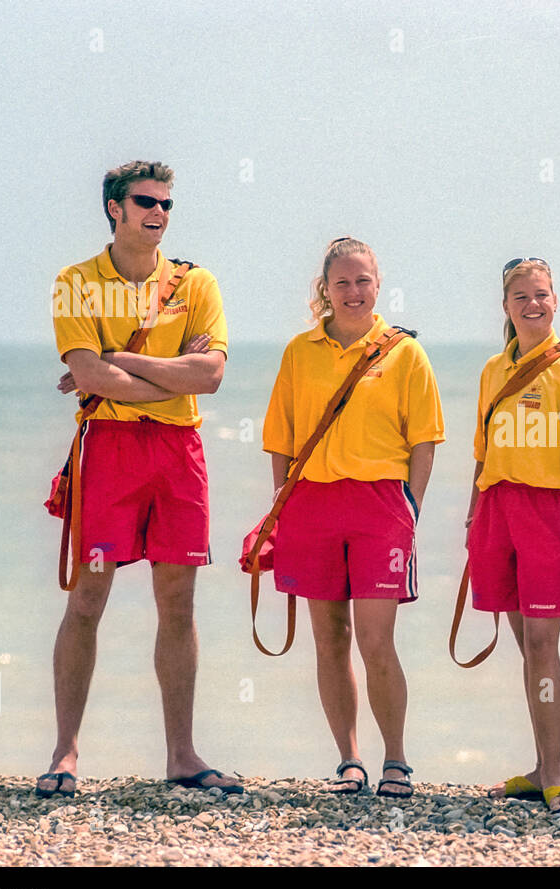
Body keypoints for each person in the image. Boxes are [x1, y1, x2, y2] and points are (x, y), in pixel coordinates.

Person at [41, 160, 237, 797]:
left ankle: (182, 755)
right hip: (109, 450)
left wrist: (118, 360)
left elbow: (208, 377)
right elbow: (89, 378)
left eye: (167, 204)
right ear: (114, 209)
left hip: (179, 451)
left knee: (178, 605)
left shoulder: (196, 281)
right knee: (87, 601)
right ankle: (65, 752)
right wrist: (152, 374)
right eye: (146, 202)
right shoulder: (75, 282)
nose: (159, 213)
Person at [261, 237, 444, 798]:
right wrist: (282, 510)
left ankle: (396, 760)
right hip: (312, 502)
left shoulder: (404, 352)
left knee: (376, 638)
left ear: (377, 283)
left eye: (362, 281)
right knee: (329, 637)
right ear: (325, 289)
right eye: (341, 282)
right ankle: (349, 759)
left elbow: (425, 441)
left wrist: (410, 508)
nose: (353, 292)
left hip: (381, 506)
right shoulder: (300, 351)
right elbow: (282, 440)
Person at [470, 258, 560, 816]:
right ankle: (538, 765)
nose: (533, 304)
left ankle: (555, 773)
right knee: (526, 644)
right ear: (505, 306)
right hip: (497, 508)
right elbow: (481, 453)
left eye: (542, 295)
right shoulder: (491, 370)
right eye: (521, 296)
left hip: (555, 512)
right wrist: (473, 515)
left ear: (557, 300)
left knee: (545, 645)